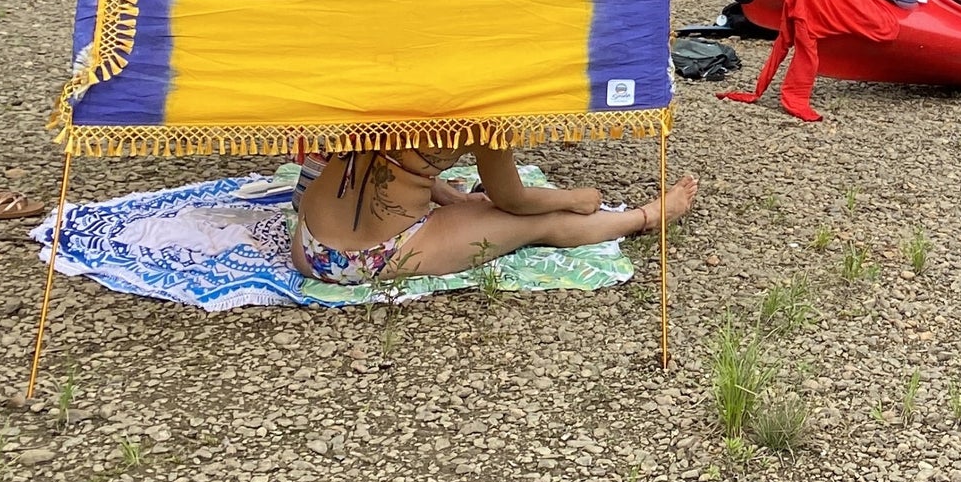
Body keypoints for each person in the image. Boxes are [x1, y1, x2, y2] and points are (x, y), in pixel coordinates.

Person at [289, 144, 698, 285]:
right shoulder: (481, 112)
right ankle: (648, 215)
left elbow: (395, 159)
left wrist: (447, 196)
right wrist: (572, 197)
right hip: (372, 256)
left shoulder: (389, 73)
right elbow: (513, 200)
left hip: (308, 242)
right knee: (537, 220)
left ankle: (449, 201)